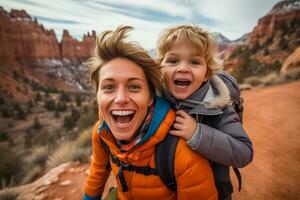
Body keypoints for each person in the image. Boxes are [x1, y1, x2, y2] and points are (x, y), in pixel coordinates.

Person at [83, 26, 218, 200]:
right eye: (109, 87)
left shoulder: (181, 152)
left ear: (150, 97)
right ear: (97, 95)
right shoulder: (102, 132)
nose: (121, 99)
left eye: (134, 87)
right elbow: (97, 171)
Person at [156, 25, 253, 200]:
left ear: (207, 73)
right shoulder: (154, 101)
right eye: (173, 61)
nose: (183, 68)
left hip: (213, 192)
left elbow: (244, 153)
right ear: (160, 67)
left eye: (194, 62)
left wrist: (197, 133)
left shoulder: (219, 108)